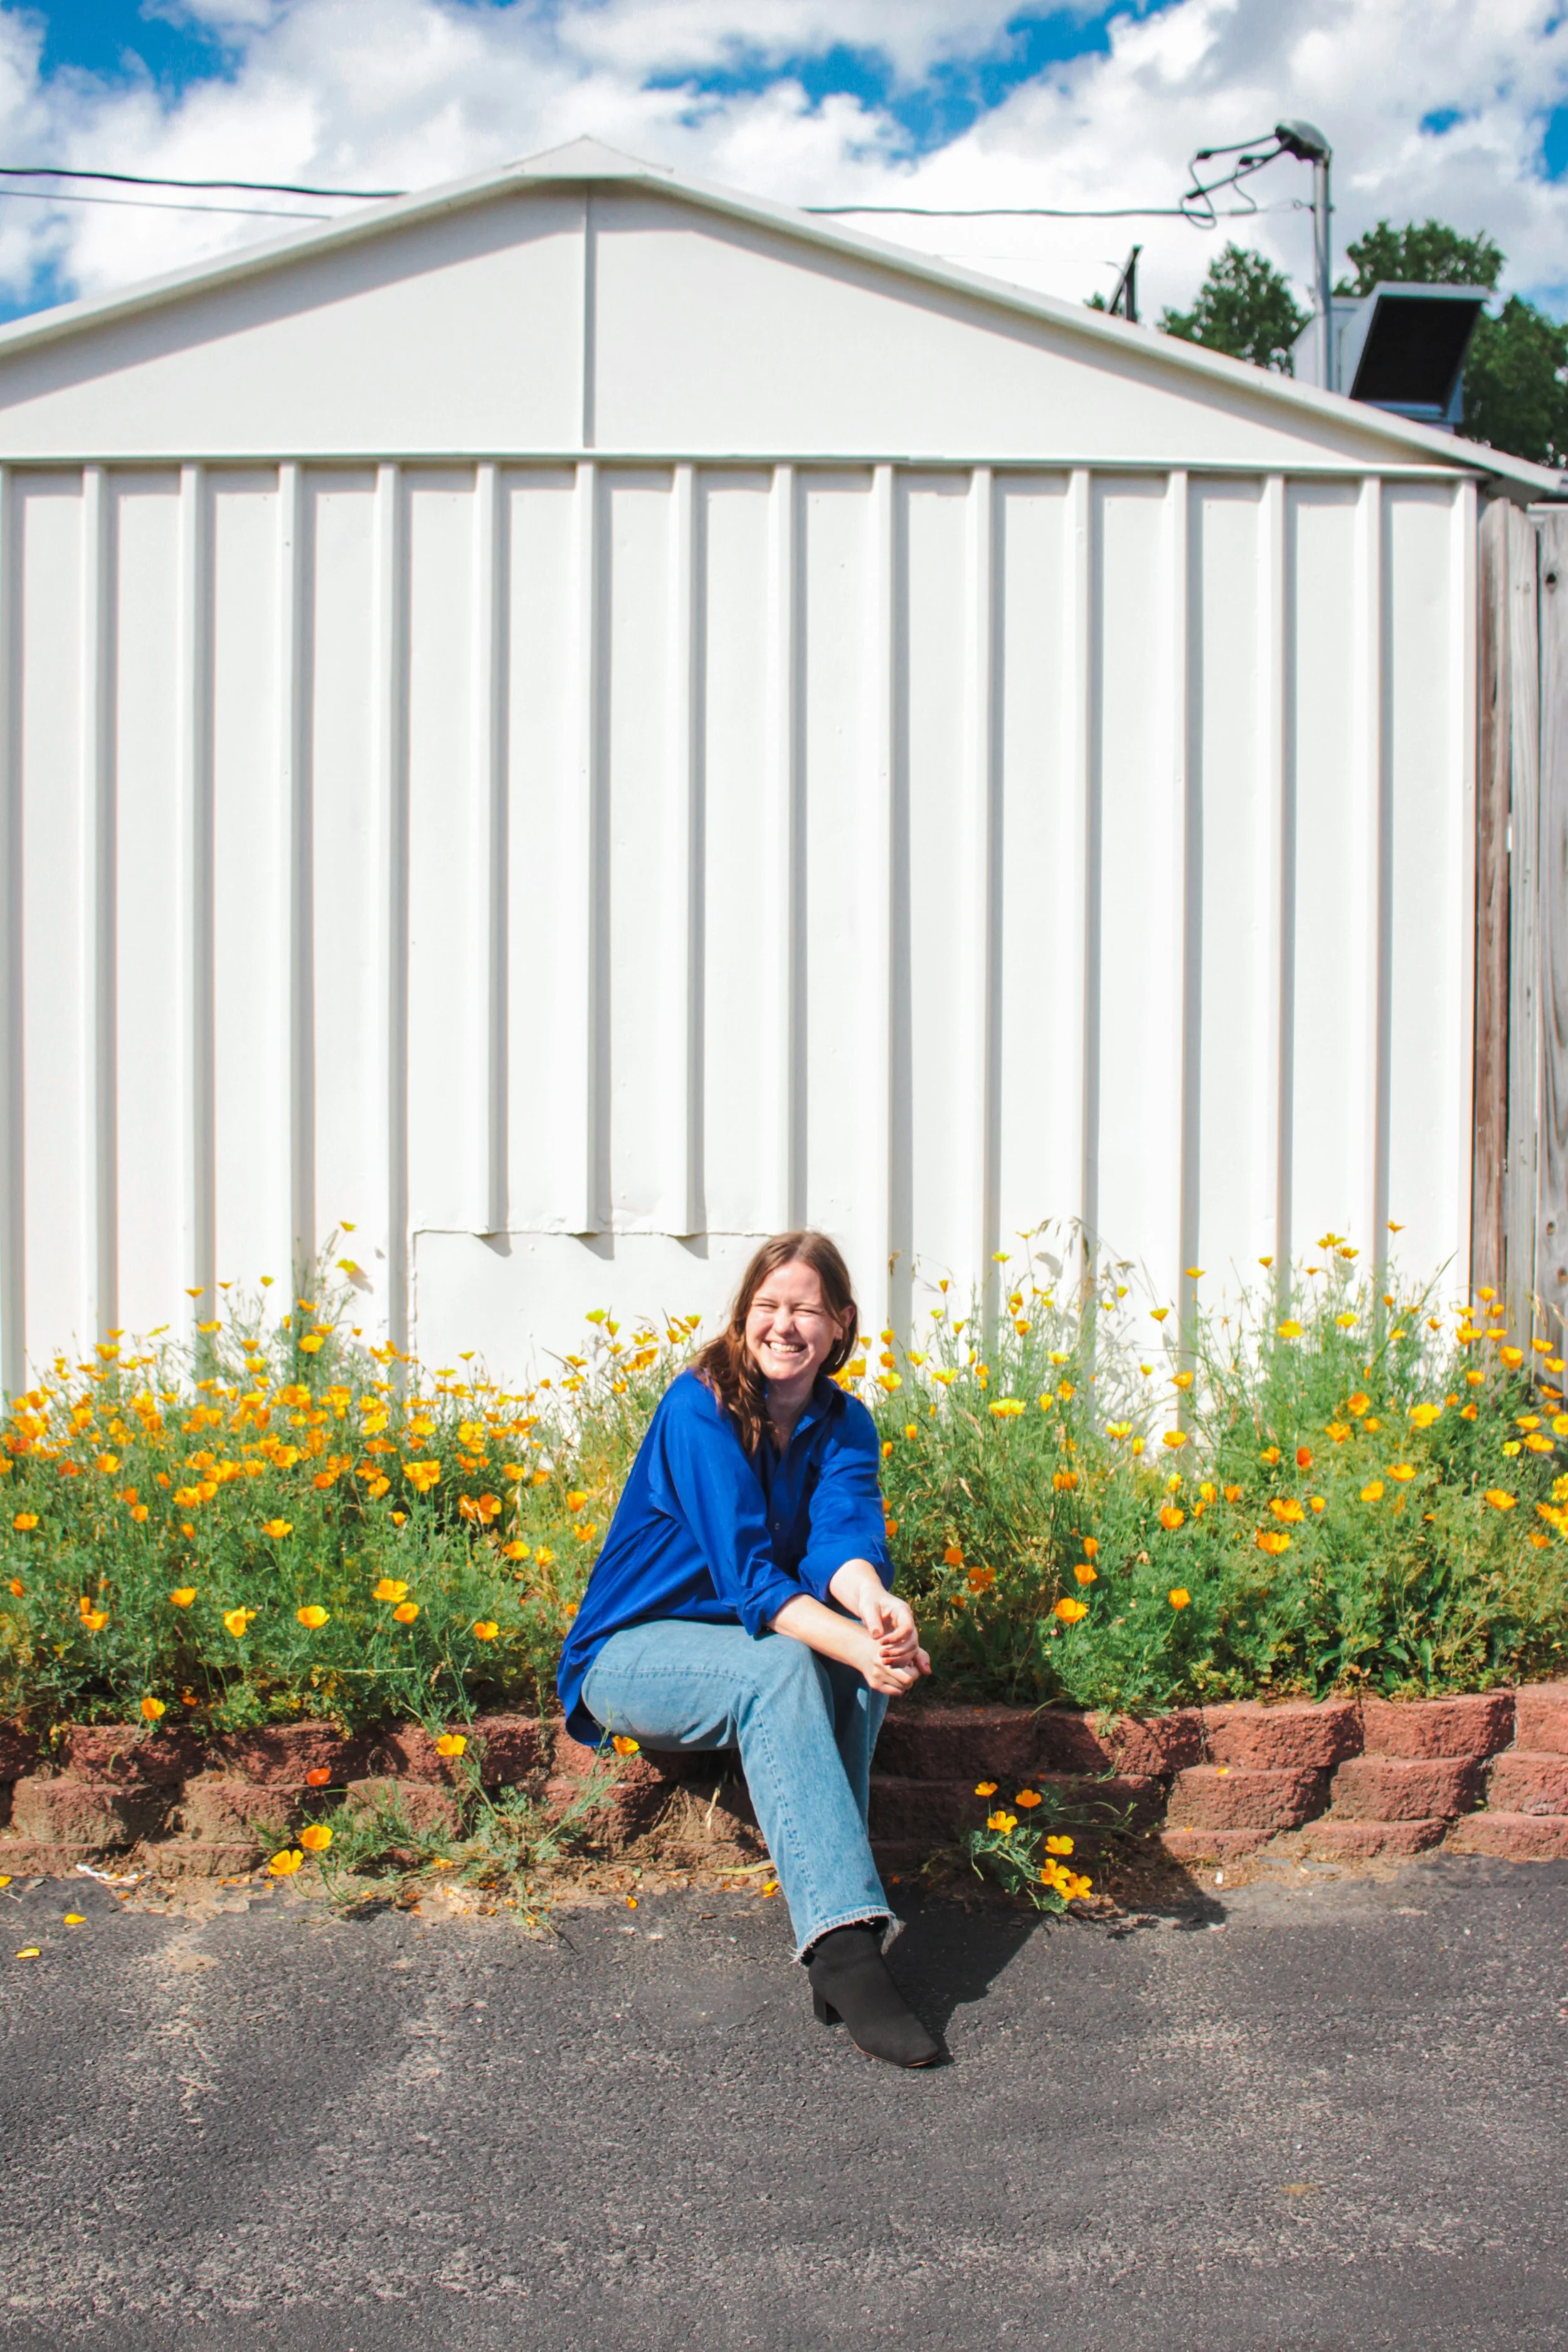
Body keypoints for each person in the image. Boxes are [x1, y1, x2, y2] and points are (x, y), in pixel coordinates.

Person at [557, 1230, 942, 2068]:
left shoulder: (845, 1425)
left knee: (855, 1663)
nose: (783, 1324)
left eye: (804, 1308)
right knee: (791, 1661)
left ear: (840, 1324)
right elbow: (753, 1579)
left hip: (734, 1645)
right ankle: (846, 1947)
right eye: (767, 1305)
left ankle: (834, 1923)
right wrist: (847, 1640)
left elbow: (842, 1545)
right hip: (630, 1656)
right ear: (743, 1316)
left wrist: (875, 1611)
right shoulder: (701, 1407)